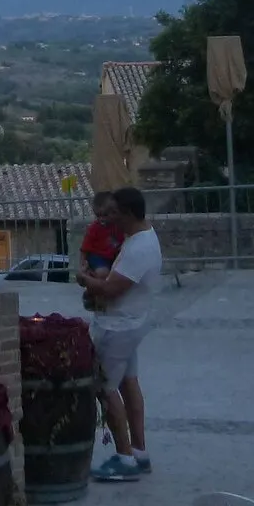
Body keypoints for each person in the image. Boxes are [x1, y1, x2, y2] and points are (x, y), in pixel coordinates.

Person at [77, 186, 161, 482]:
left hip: (117, 327)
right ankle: (139, 452)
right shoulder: (143, 238)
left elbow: (111, 288)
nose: (109, 219)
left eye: (114, 213)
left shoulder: (138, 248)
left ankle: (124, 457)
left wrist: (85, 279)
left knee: (105, 388)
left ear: (127, 213)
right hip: (131, 322)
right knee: (128, 384)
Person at [78, 189, 122, 277]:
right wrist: (82, 264)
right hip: (98, 256)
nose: (102, 219)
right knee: (103, 273)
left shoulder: (119, 226)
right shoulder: (94, 228)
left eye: (105, 215)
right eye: (98, 215)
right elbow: (85, 249)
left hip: (113, 256)